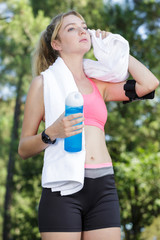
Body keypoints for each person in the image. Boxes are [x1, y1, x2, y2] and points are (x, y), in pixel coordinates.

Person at [18, 10, 159, 240]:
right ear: (56, 43)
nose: (82, 30)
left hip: (103, 187)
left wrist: (116, 48)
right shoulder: (43, 84)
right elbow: (23, 148)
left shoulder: (99, 83)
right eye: (71, 28)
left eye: (84, 26)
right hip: (62, 189)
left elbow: (149, 84)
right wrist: (51, 132)